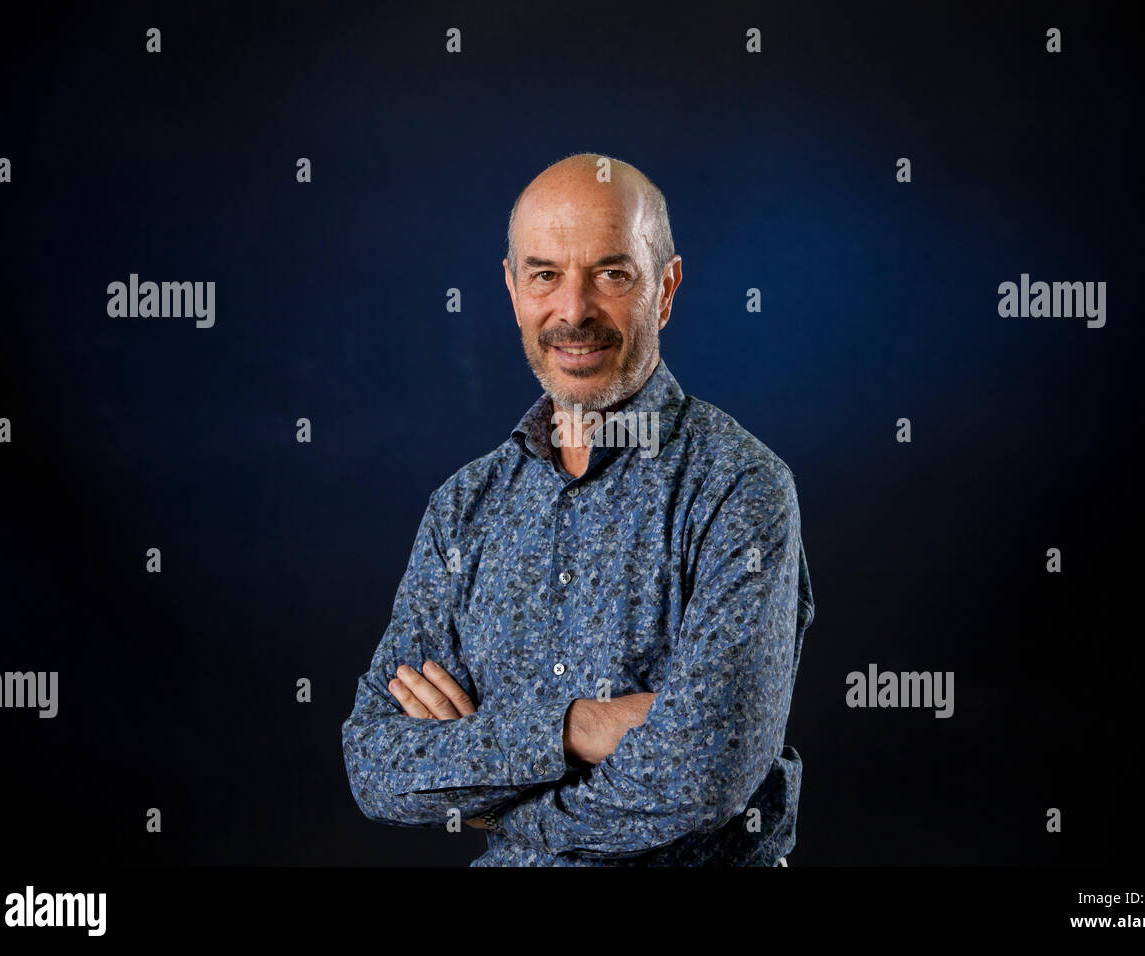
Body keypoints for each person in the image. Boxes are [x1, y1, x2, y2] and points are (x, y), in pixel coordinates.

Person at [341, 152, 815, 865]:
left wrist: (494, 798)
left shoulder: (740, 489)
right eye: (545, 275)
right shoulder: (463, 509)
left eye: (612, 274)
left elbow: (706, 774)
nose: (573, 311)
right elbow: (376, 763)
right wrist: (574, 728)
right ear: (511, 289)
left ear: (665, 288)